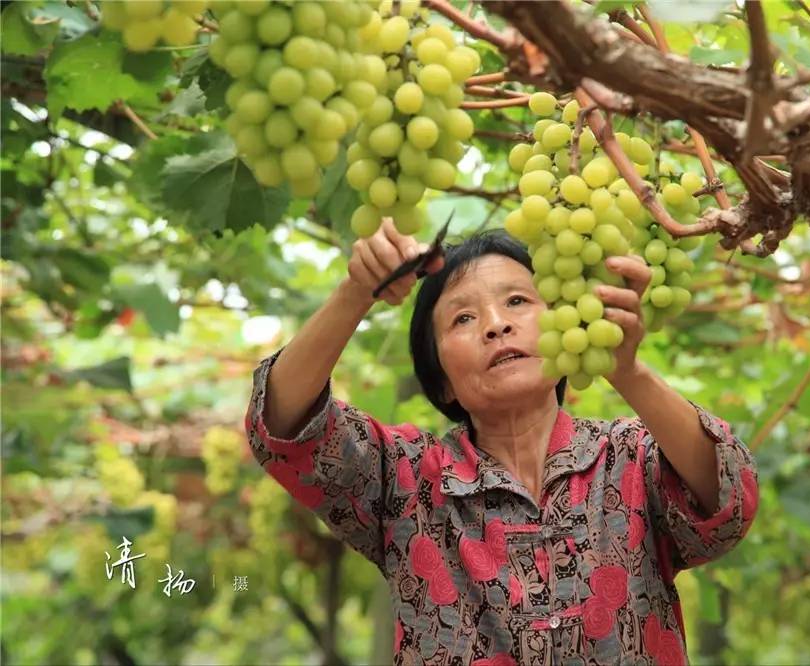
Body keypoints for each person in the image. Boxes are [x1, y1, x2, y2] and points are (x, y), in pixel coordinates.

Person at [244, 217, 759, 665]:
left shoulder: (631, 457)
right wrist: (355, 291)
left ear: (562, 327)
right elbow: (284, 428)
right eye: (463, 318)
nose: (496, 325)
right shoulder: (405, 480)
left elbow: (728, 498)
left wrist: (625, 370)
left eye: (517, 301)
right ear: (440, 378)